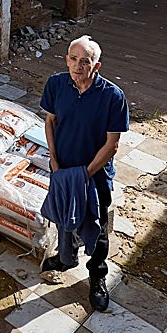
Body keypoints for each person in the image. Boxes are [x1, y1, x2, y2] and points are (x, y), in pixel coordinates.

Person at [40, 35, 129, 312]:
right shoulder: (56, 84)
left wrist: (85, 175)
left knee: (97, 224)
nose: (78, 66)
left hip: (95, 176)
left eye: (85, 61)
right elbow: (50, 122)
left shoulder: (112, 96)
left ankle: (97, 275)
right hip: (63, 168)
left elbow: (111, 144)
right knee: (65, 215)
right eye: (73, 59)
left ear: (97, 65)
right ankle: (66, 258)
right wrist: (54, 162)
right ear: (67, 59)